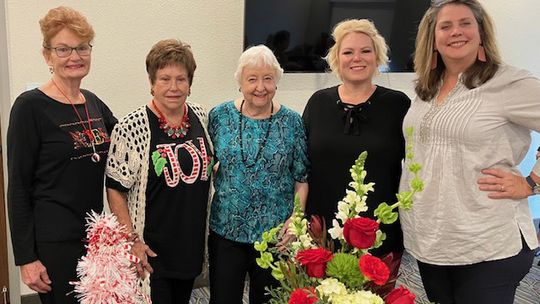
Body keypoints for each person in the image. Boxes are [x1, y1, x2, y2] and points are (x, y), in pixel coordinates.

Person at [399, 0, 540, 303]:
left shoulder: (508, 82)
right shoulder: (426, 87)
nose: (456, 32)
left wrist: (532, 182)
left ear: (481, 33)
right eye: (445, 26)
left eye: (465, 23)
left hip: (488, 242)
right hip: (431, 239)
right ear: (432, 38)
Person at [6, 6, 117, 303]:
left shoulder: (92, 103)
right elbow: (17, 186)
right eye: (63, 49)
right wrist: (26, 258)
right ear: (47, 55)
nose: (75, 57)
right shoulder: (30, 107)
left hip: (94, 237)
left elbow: (127, 144)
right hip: (54, 243)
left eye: (82, 47)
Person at [302, 19, 411, 294]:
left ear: (378, 57)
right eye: (348, 52)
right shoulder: (318, 103)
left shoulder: (398, 105)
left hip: (378, 235)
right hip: (321, 235)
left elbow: (417, 166)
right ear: (336, 58)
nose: (357, 58)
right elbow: (300, 166)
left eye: (366, 51)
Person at [105, 39, 213, 303]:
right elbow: (115, 189)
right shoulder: (132, 127)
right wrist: (131, 240)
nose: (173, 87)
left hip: (190, 245)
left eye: (181, 79)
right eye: (165, 79)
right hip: (152, 251)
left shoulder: (201, 116)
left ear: (190, 82)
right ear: (151, 82)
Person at [208, 45, 309, 304]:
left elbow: (301, 178)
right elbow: (208, 164)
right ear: (240, 82)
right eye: (252, 79)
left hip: (276, 237)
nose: (260, 87)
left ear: (276, 81)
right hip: (226, 231)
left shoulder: (292, 122)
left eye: (268, 78)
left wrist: (296, 219)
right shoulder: (219, 116)